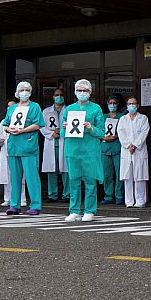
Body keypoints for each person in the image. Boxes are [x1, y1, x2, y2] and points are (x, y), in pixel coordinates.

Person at [61, 79, 105, 222]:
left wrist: (91, 128)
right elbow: (62, 134)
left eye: (85, 91)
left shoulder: (96, 108)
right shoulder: (69, 109)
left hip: (90, 149)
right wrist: (64, 127)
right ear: (75, 92)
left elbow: (102, 132)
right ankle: (74, 210)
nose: (82, 93)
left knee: (90, 180)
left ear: (90, 92)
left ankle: (89, 210)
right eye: (79, 90)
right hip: (73, 149)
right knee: (74, 180)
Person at [2, 82, 44, 215]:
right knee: (14, 177)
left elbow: (37, 125)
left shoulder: (35, 107)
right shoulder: (12, 108)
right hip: (14, 146)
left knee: (32, 177)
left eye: (27, 90)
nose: (24, 92)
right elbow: (5, 124)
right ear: (17, 92)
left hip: (28, 146)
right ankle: (14, 205)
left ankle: (35, 205)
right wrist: (9, 129)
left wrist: (22, 130)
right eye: (21, 90)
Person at [117, 97, 150, 208]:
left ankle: (140, 201)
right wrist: (128, 145)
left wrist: (135, 145)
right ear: (127, 106)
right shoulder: (123, 119)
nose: (132, 106)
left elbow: (144, 133)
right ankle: (129, 201)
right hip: (127, 151)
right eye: (130, 104)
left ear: (137, 105)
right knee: (127, 177)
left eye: (134, 104)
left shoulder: (143, 118)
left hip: (139, 150)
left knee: (139, 176)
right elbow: (121, 133)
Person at [0, 98, 27, 207]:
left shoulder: (22, 120)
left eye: (12, 106)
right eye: (8, 106)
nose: (10, 108)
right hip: (5, 152)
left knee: (20, 176)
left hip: (17, 151)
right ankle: (7, 198)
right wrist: (0, 140)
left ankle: (22, 198)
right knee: (6, 176)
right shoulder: (4, 121)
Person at [41, 88, 68, 202]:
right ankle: (52, 195)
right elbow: (41, 125)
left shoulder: (69, 110)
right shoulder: (46, 111)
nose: (59, 97)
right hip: (51, 142)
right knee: (51, 170)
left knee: (65, 170)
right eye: (57, 95)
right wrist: (52, 133)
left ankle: (67, 195)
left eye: (61, 95)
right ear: (53, 97)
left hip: (64, 142)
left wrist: (61, 132)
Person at [100, 94, 124, 205]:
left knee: (119, 173)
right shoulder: (103, 117)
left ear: (118, 104)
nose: (112, 105)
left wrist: (117, 136)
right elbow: (97, 130)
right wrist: (104, 137)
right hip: (104, 148)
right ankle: (108, 196)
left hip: (117, 147)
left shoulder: (122, 116)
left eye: (114, 103)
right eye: (110, 103)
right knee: (107, 174)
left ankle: (119, 195)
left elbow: (125, 130)